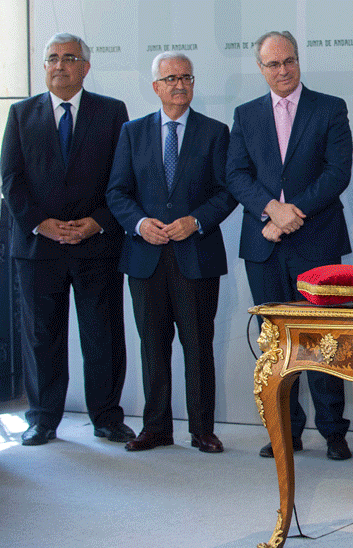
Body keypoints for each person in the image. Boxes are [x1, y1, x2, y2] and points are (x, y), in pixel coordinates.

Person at [1, 33, 134, 446]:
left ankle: (107, 418)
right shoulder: (21, 114)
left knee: (103, 335)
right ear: (44, 67)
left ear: (85, 67)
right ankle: (42, 418)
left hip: (96, 245)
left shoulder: (112, 113)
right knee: (41, 337)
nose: (59, 65)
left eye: (69, 58)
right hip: (39, 248)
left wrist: (98, 221)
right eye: (52, 58)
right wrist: (42, 223)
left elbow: (122, 178)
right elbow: (11, 180)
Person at [226, 31, 353, 460]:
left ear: (299, 61)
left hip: (315, 241)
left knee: (321, 341)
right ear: (261, 69)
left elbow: (338, 173)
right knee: (276, 344)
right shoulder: (245, 115)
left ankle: (334, 430)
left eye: (289, 61)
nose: (283, 71)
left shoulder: (330, 108)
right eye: (273, 64)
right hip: (263, 246)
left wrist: (291, 213)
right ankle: (286, 428)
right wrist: (270, 211)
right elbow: (236, 175)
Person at [106, 52, 237, 454]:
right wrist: (140, 224)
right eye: (170, 78)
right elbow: (117, 191)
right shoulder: (132, 132)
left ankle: (202, 429)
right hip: (145, 257)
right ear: (156, 87)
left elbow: (227, 191)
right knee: (153, 346)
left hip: (195, 256)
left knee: (198, 345)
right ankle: (156, 427)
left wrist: (195, 220)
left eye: (186, 77)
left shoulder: (215, 132)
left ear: (193, 84)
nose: (179, 84)